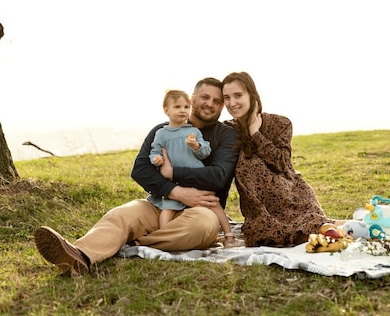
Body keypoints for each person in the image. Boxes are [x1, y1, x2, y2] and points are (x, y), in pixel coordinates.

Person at [34, 78, 239, 275]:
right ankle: (79, 255)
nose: (210, 104)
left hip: (202, 209)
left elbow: (218, 176)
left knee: (201, 226)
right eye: (205, 97)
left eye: (217, 101)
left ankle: (131, 244)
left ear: (222, 106)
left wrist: (173, 173)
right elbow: (141, 169)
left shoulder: (226, 134)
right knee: (122, 214)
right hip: (160, 203)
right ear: (193, 99)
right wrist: (176, 191)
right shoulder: (162, 131)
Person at [221, 71, 339, 247]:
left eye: (238, 95)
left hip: (293, 197)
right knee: (270, 237)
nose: (232, 103)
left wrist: (255, 133)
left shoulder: (281, 123)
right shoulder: (228, 130)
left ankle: (361, 227)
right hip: (260, 209)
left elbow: (282, 163)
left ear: (252, 95)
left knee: (320, 229)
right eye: (226, 98)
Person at [148, 89, 237, 247]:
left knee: (213, 203)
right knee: (168, 210)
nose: (183, 111)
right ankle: (163, 237)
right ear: (166, 110)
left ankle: (229, 235)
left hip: (195, 176)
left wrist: (196, 146)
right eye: (177, 107)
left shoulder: (193, 131)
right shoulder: (161, 133)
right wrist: (157, 159)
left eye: (185, 107)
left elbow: (205, 151)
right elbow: (155, 151)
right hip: (175, 185)